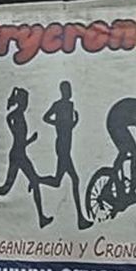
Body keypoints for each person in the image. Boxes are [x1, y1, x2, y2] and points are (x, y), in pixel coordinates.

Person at [0, 87, 51, 228]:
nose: (26, 103)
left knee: (25, 183)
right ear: (21, 101)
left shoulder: (17, 116)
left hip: (20, 153)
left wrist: (29, 140)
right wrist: (31, 140)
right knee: (10, 187)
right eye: (25, 100)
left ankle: (41, 217)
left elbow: (19, 139)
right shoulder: (15, 116)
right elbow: (19, 140)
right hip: (18, 154)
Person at [43, 82, 93, 230]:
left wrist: (74, 123)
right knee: (74, 180)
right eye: (66, 90)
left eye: (70, 89)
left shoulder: (70, 105)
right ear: (62, 91)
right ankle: (80, 219)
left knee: (57, 181)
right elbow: (45, 117)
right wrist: (57, 123)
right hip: (62, 147)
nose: (69, 92)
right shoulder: (58, 105)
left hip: (66, 145)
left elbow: (68, 127)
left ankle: (36, 180)